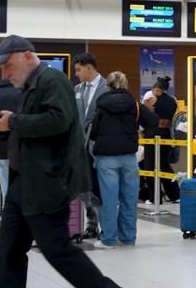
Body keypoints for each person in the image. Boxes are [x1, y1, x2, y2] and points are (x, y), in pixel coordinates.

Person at [0, 35, 121, 288]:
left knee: (57, 249)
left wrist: (13, 121)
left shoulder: (52, 80)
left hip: (48, 182)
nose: (5, 74)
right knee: (9, 250)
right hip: (25, 182)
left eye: (8, 65)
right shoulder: (30, 86)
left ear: (28, 57)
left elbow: (58, 120)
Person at [89, 71, 158, 249]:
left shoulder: (102, 105)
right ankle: (128, 238)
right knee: (129, 199)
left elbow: (94, 132)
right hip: (129, 157)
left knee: (109, 200)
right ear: (125, 84)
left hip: (106, 158)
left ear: (108, 86)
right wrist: (137, 131)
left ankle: (109, 239)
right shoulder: (134, 104)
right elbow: (153, 121)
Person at [74, 52, 108, 240]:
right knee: (86, 187)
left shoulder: (107, 87)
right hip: (81, 147)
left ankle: (107, 226)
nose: (77, 74)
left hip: (99, 145)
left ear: (89, 67)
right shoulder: (77, 89)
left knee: (102, 187)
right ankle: (91, 224)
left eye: (79, 70)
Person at [141, 76, 180, 203]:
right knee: (164, 165)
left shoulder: (152, 101)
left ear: (158, 89)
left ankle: (155, 198)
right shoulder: (172, 101)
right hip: (165, 135)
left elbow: (148, 118)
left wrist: (148, 108)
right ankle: (175, 195)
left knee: (150, 167)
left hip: (153, 135)